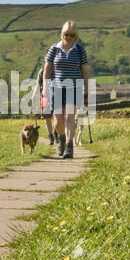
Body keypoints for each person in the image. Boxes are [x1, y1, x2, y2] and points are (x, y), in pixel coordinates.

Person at [43, 20, 89, 159]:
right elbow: (47, 70)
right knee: (58, 121)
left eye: (72, 35)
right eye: (66, 34)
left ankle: (69, 146)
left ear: (76, 36)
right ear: (62, 34)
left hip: (73, 87)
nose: (68, 38)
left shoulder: (80, 50)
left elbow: (85, 71)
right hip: (56, 87)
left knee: (69, 117)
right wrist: (45, 89)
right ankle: (61, 139)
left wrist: (86, 91)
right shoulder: (54, 49)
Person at [36, 63, 56, 145]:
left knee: (57, 116)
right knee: (47, 118)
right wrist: (34, 95)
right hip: (45, 97)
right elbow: (38, 84)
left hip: (56, 95)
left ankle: (56, 133)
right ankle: (51, 136)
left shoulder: (56, 71)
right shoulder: (41, 71)